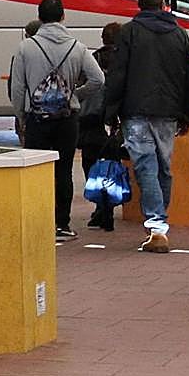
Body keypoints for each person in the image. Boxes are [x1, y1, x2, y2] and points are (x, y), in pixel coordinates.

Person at [104, 0, 189, 253]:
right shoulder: (179, 34)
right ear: (163, 4)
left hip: (136, 110)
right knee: (163, 166)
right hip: (168, 113)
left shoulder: (129, 32)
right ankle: (158, 223)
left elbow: (118, 74)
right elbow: (188, 77)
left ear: (140, 5)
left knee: (145, 167)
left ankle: (157, 226)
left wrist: (110, 112)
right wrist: (186, 115)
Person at [9, 0, 104, 240]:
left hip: (36, 118)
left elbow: (18, 88)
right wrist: (74, 95)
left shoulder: (26, 48)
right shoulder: (77, 47)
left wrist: (21, 115)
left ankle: (37, 223)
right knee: (63, 171)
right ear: (63, 17)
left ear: (39, 18)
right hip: (67, 118)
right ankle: (62, 224)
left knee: (35, 171)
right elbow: (98, 80)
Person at [78, 21, 122, 231]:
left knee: (91, 165)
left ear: (103, 39)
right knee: (111, 166)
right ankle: (108, 209)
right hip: (112, 122)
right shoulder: (125, 60)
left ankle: (99, 207)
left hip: (90, 123)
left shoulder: (92, 59)